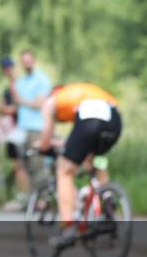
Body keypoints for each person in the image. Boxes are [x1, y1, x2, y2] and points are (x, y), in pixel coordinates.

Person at [35, 83, 123, 248]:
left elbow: (46, 138)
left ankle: (67, 228)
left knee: (64, 171)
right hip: (114, 120)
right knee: (93, 159)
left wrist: (41, 146)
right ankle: (107, 201)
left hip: (89, 120)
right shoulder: (83, 93)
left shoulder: (52, 101)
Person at [12, 49, 52, 183]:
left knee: (37, 164)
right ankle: (31, 199)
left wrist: (20, 100)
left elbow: (39, 104)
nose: (26, 64)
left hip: (37, 128)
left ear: (33, 61)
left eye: (29, 61)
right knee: (24, 165)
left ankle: (42, 201)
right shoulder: (21, 82)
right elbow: (16, 105)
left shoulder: (42, 79)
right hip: (22, 128)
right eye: (24, 62)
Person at [0, 56, 29, 211]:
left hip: (22, 128)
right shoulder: (7, 89)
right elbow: (5, 108)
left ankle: (27, 195)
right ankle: (23, 195)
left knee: (23, 164)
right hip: (12, 131)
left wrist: (9, 108)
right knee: (17, 164)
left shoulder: (22, 85)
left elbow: (17, 106)